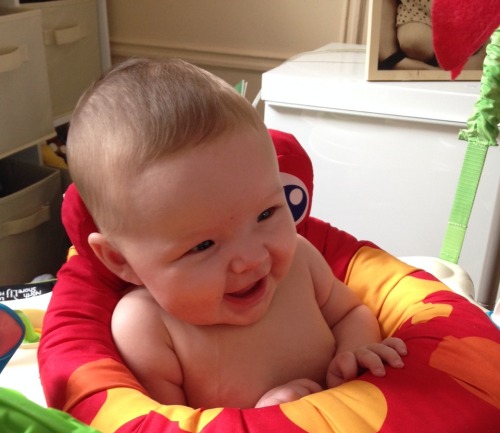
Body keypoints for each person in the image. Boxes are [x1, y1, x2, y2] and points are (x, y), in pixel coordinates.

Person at [66, 58, 407, 409]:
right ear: (122, 260)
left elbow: (352, 314)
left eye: (266, 213)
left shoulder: (300, 260)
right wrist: (262, 423)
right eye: (202, 245)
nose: (252, 259)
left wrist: (356, 351)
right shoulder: (146, 328)